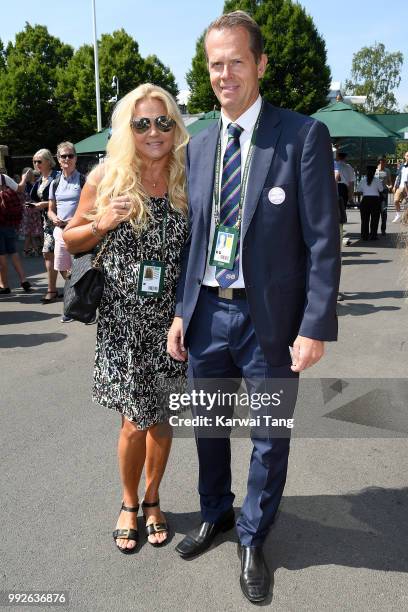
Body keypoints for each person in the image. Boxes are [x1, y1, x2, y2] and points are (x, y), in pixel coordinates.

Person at [167, 11, 340, 604]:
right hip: (209, 313)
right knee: (209, 428)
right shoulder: (199, 142)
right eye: (216, 64)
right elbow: (195, 239)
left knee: (269, 436)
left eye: (236, 61)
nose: (225, 73)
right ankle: (216, 513)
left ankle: (252, 536)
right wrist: (182, 312)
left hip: (273, 323)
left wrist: (314, 325)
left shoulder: (302, 135)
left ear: (261, 64)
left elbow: (323, 241)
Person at [63, 84, 189, 553]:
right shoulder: (106, 178)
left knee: (161, 419)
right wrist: (101, 223)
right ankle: (129, 501)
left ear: (174, 127)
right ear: (127, 130)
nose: (153, 131)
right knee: (134, 422)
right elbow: (72, 240)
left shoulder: (186, 178)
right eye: (142, 123)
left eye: (162, 121)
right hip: (123, 321)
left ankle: (155, 498)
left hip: (172, 322)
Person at [48, 142, 85, 323]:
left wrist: (75, 220)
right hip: (60, 232)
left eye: (70, 156)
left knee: (82, 268)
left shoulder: (83, 180)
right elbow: (50, 209)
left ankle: (73, 309)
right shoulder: (55, 182)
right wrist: (53, 217)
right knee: (64, 270)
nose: (67, 159)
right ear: (58, 159)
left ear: (76, 158)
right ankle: (76, 299)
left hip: (78, 230)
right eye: (63, 156)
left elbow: (91, 207)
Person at [30, 149, 60, 302]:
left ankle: (59, 288)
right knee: (50, 254)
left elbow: (63, 199)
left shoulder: (58, 177)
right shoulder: (40, 179)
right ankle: (53, 289)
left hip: (59, 221)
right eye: (34, 161)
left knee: (52, 253)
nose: (36, 164)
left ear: (49, 161)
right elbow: (36, 197)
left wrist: (44, 204)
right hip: (46, 222)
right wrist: (34, 205)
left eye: (39, 161)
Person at [0, 171, 32, 294]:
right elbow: (20, 188)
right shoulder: (3, 177)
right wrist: (23, 178)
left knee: (1, 255)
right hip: (9, 222)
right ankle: (23, 279)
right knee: (13, 252)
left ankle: (4, 285)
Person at [19, 168, 43, 256]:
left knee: (33, 232)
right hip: (28, 211)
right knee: (31, 232)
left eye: (30, 173)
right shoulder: (23, 185)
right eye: (27, 174)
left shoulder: (36, 184)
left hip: (34, 210)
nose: (29, 175)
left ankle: (34, 249)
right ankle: (33, 249)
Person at [357, 166, 383, 241]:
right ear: (374, 172)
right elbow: (381, 190)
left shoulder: (362, 180)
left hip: (365, 200)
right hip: (375, 200)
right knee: (375, 219)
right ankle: (373, 235)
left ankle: (364, 236)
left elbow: (359, 190)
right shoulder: (377, 180)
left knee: (364, 219)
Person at [375, 157, 392, 235]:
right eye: (382, 162)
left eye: (384, 162)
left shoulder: (387, 170)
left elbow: (389, 181)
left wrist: (390, 186)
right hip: (375, 192)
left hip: (384, 192)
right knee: (375, 211)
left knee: (384, 211)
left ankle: (383, 229)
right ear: (379, 162)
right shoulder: (375, 171)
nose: (383, 163)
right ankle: (374, 230)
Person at [392, 150, 408, 223]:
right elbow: (398, 176)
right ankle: (398, 214)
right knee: (396, 200)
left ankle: (405, 218)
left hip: (407, 187)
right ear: (405, 157)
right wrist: (395, 185)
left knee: (406, 204)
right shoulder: (402, 166)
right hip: (400, 186)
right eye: (407, 155)